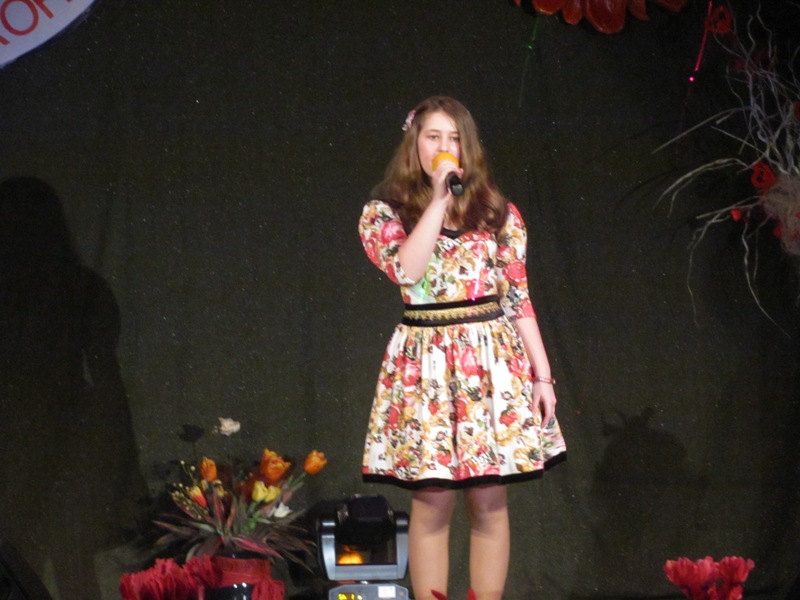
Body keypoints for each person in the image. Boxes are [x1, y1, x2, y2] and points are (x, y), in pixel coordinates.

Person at [358, 96, 567, 600]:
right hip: (426, 363)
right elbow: (406, 269)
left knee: (490, 499)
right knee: (432, 501)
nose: (444, 147)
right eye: (433, 136)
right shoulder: (384, 211)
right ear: (415, 143)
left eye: (454, 138)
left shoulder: (498, 213)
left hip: (490, 362)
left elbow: (517, 298)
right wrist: (437, 201)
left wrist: (543, 376)